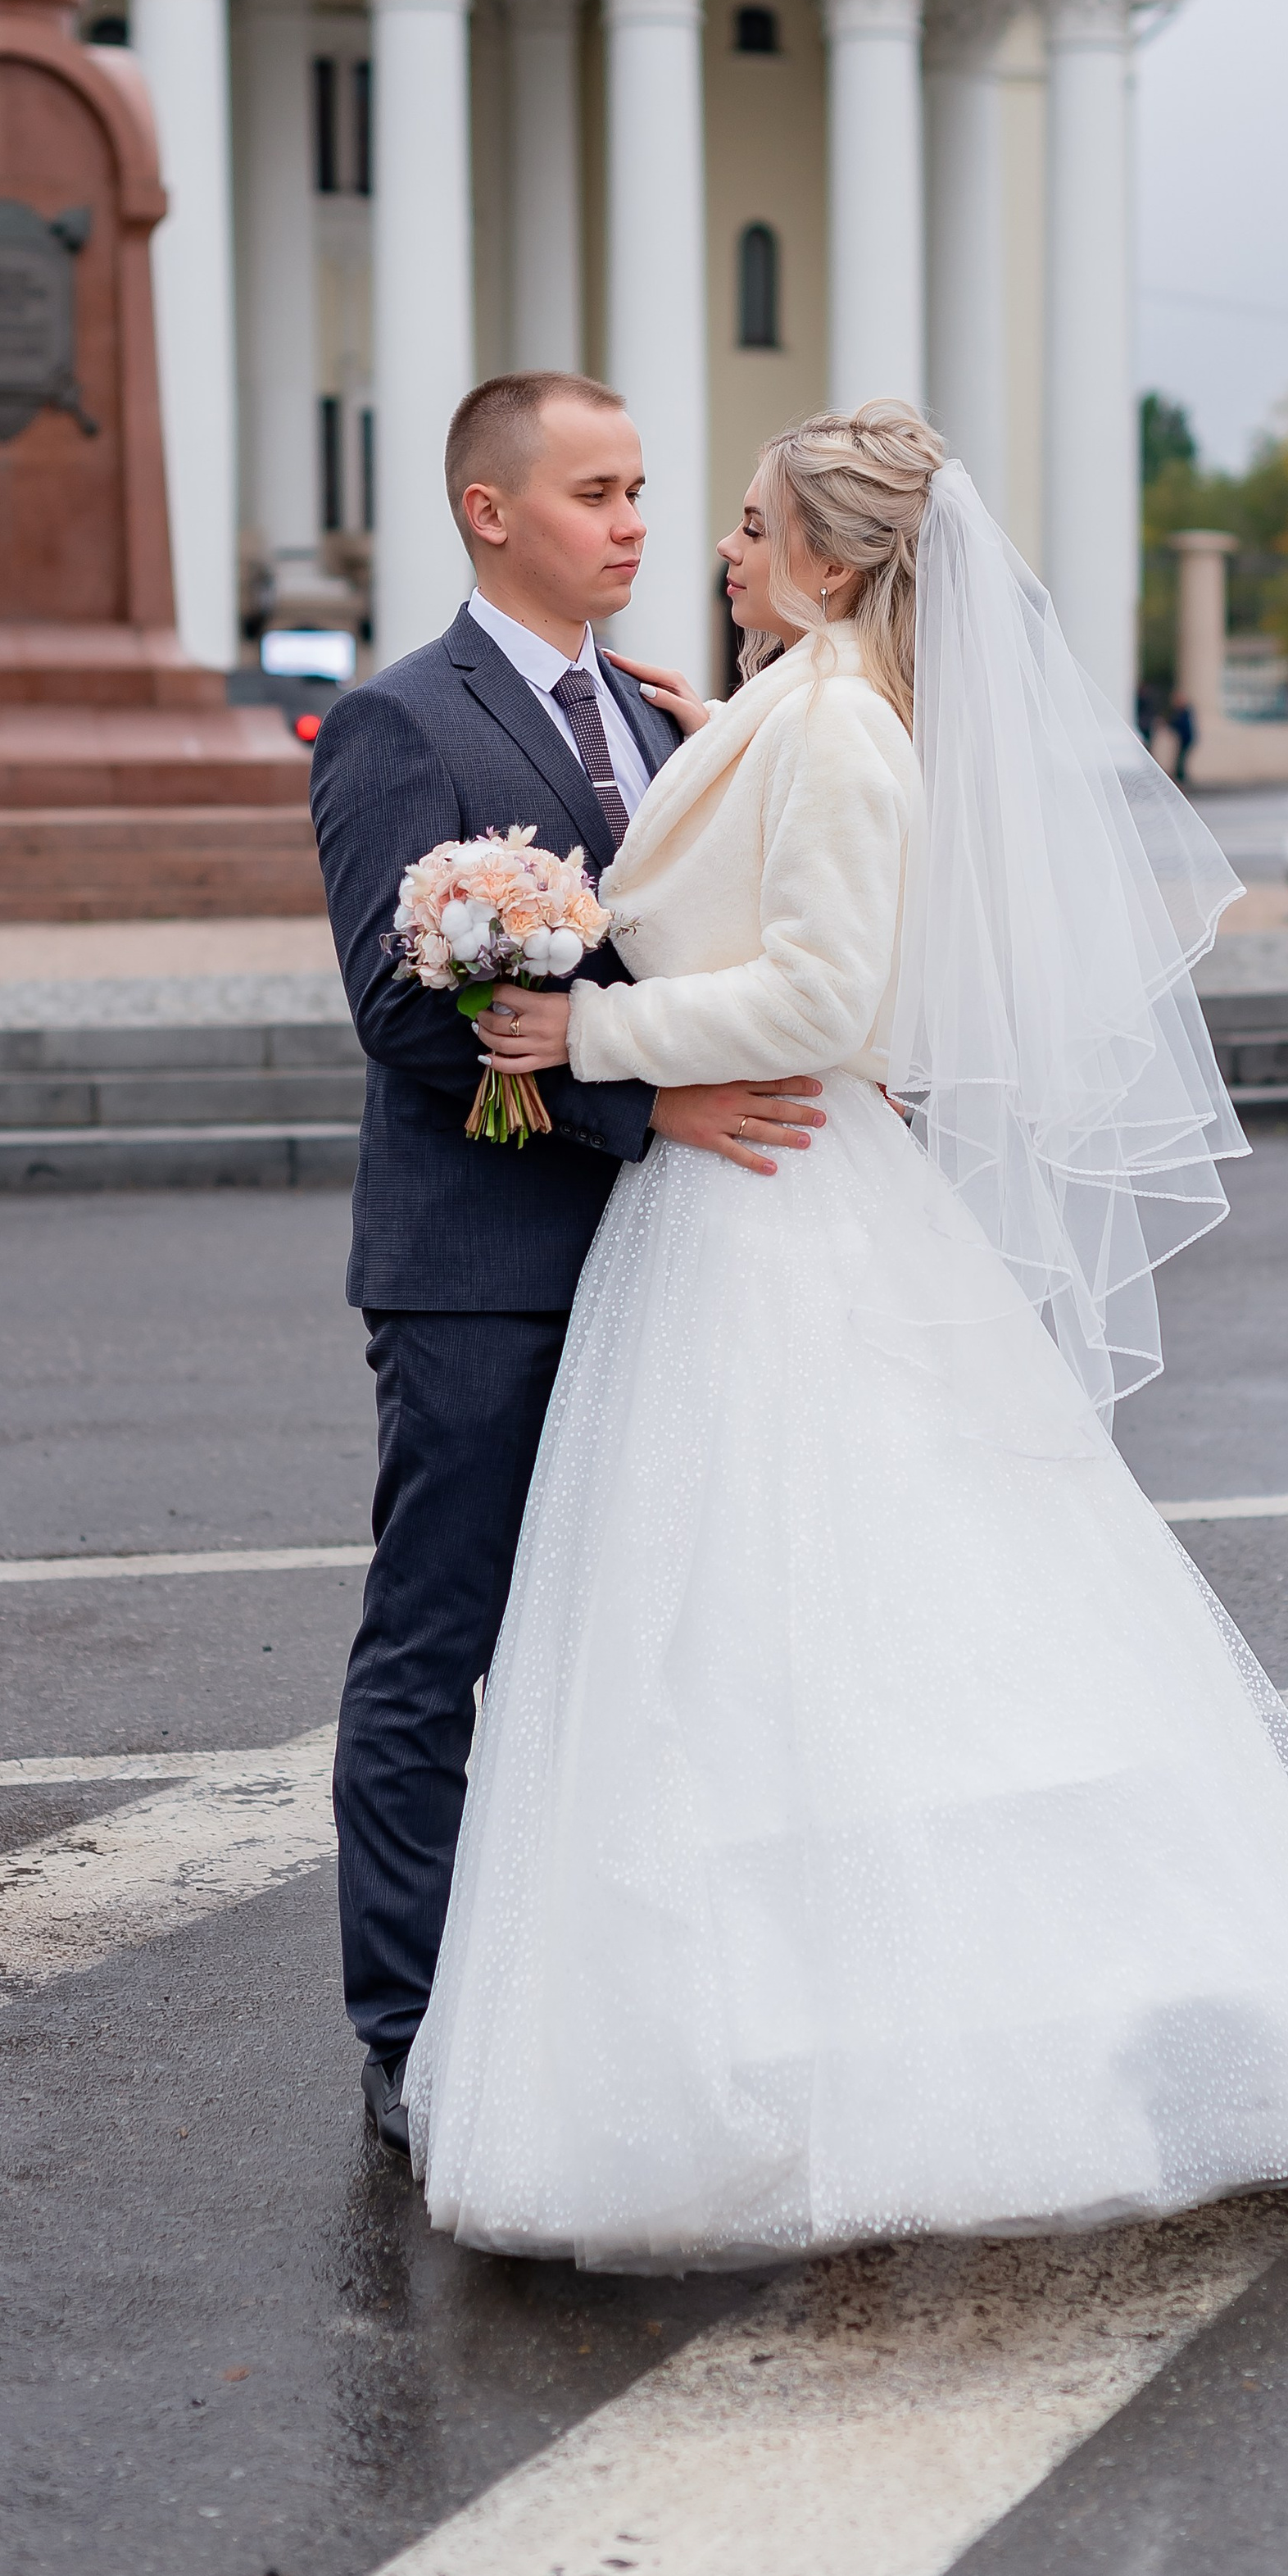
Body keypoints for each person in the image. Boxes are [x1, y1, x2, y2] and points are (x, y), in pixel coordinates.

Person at [406, 401, 1288, 2269]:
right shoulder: (771, 707)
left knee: (799, 1631)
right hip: (729, 1213)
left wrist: (591, 1037)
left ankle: (861, 2064)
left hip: (778, 1207)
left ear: (833, 558)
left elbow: (824, 990)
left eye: (741, 526)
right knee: (728, 1638)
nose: (710, 548)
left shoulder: (844, 734)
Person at [307, 372, 828, 2159]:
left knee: (635, 1655)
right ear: (488, 511)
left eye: (638, 488)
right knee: (432, 1648)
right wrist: (646, 1113)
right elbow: (401, 1011)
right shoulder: (397, 724)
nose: (634, 522)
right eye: (596, 489)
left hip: (671, 1271)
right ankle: (410, 2030)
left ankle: (597, 2007)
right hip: (480, 1268)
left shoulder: (672, 718)